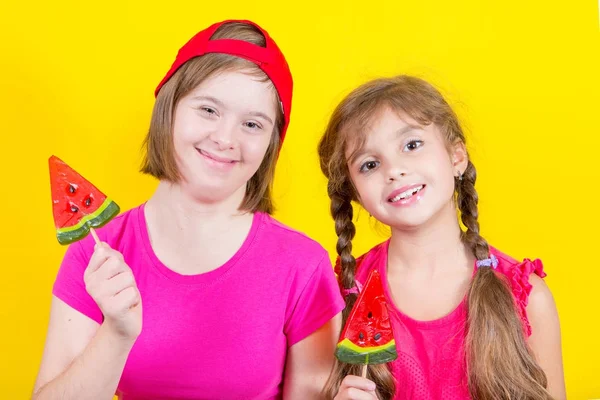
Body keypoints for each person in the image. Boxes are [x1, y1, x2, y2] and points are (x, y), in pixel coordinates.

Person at [33, 19, 344, 400]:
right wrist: (116, 334)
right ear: (170, 107)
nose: (225, 138)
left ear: (271, 145)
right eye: (209, 110)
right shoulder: (96, 254)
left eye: (252, 124)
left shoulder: (304, 267)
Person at [317, 75, 565, 399]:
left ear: (457, 157)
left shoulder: (528, 299)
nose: (394, 170)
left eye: (412, 145)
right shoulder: (342, 296)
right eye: (370, 164)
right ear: (356, 194)